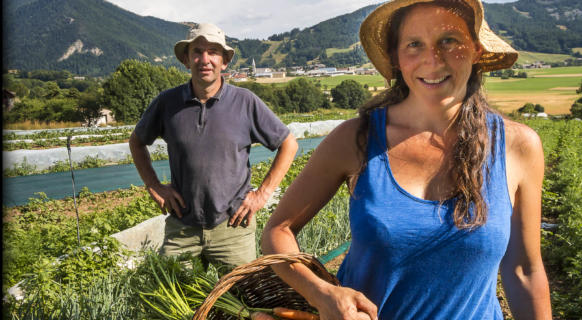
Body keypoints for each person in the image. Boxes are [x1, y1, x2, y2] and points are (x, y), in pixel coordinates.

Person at [261, 0, 552, 319]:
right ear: (396, 59)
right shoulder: (355, 139)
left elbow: (525, 269)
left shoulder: (517, 146)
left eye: (449, 41)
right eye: (415, 44)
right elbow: (277, 229)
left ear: (476, 49)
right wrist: (321, 292)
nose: (432, 59)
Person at [130, 23, 298, 268]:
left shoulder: (245, 102)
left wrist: (261, 195)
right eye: (197, 51)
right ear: (186, 60)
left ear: (224, 61)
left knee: (243, 301)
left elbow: (288, 144)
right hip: (182, 228)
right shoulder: (168, 103)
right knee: (170, 296)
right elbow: (137, 142)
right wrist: (154, 186)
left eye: (213, 52)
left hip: (233, 228)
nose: (204, 59)